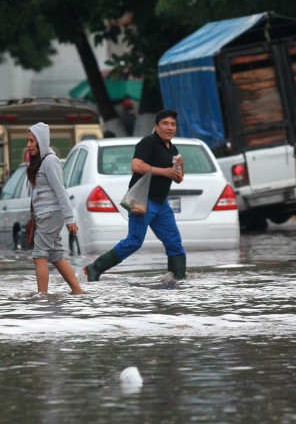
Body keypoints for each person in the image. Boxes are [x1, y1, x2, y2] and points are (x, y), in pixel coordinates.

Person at [84, 109, 188, 282]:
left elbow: (178, 178)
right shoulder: (148, 143)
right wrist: (165, 171)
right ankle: (95, 267)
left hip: (161, 204)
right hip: (142, 201)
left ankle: (178, 282)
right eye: (165, 123)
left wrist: (180, 168)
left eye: (173, 124)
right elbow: (137, 166)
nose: (169, 127)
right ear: (156, 126)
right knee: (134, 241)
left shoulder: (173, 148)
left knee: (174, 243)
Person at [27, 122, 85, 295]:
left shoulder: (50, 161)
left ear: (41, 141)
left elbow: (61, 191)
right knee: (55, 256)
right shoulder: (40, 161)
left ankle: (42, 297)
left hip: (51, 214)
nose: (28, 145)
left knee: (39, 255)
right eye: (27, 141)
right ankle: (77, 291)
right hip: (45, 214)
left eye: (31, 141)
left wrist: (70, 219)